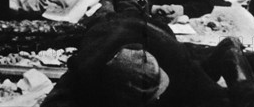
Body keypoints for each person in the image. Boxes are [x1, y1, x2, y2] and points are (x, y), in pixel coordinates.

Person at [40, 15, 230, 107]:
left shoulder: (176, 59)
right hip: (104, 25)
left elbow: (216, 98)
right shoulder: (85, 72)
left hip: (151, 26)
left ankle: (227, 50)